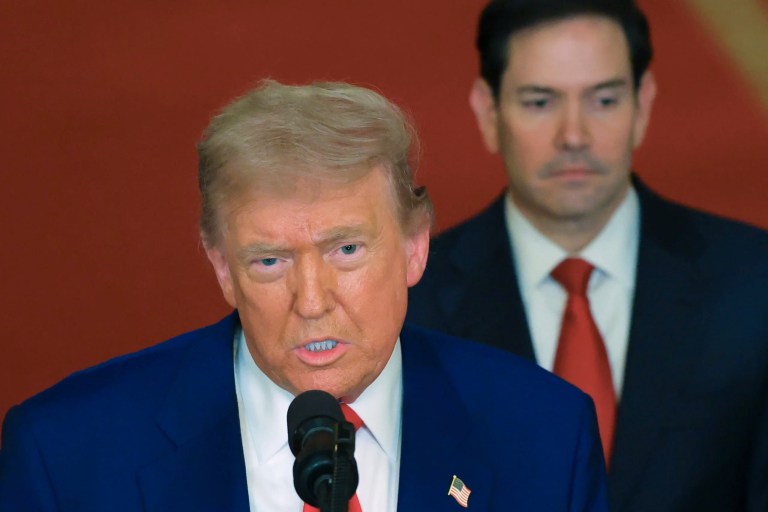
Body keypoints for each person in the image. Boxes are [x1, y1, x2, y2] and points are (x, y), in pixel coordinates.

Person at [0, 80, 608, 511]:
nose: (311, 301)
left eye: (346, 250)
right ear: (222, 267)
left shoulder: (545, 436)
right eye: (269, 261)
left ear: (416, 247)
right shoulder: (66, 457)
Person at [406, 1, 768, 511]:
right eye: (539, 102)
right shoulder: (411, 299)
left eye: (603, 100)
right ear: (489, 113)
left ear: (642, 106)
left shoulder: (754, 285)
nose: (573, 136)